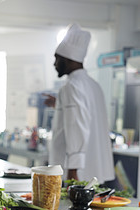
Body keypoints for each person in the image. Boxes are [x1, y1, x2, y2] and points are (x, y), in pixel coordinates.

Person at [45, 23, 114, 183]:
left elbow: (77, 126)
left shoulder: (71, 87)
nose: (54, 64)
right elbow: (84, 116)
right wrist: (59, 105)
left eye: (57, 58)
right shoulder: (93, 85)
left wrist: (73, 171)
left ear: (68, 60)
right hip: (93, 169)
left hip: (77, 173)